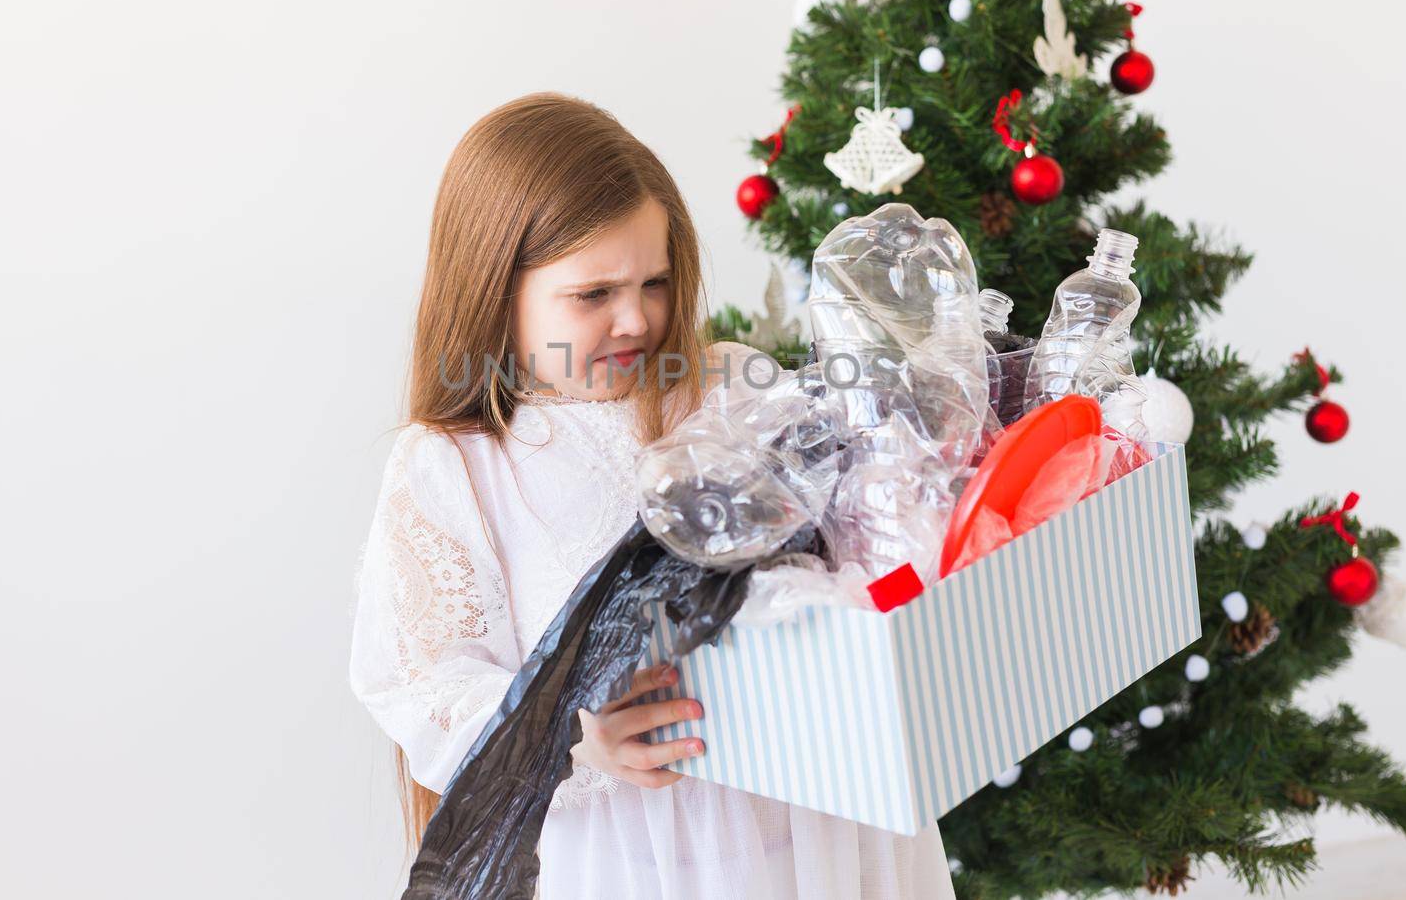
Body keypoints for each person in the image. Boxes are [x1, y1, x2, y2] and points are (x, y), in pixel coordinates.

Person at [347, 91, 955, 898]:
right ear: (497, 289)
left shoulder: (733, 388)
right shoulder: (459, 466)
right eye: (593, 294)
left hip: (814, 833)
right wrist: (570, 732)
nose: (636, 318)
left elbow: (849, 535)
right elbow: (421, 681)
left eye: (656, 282)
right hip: (633, 862)